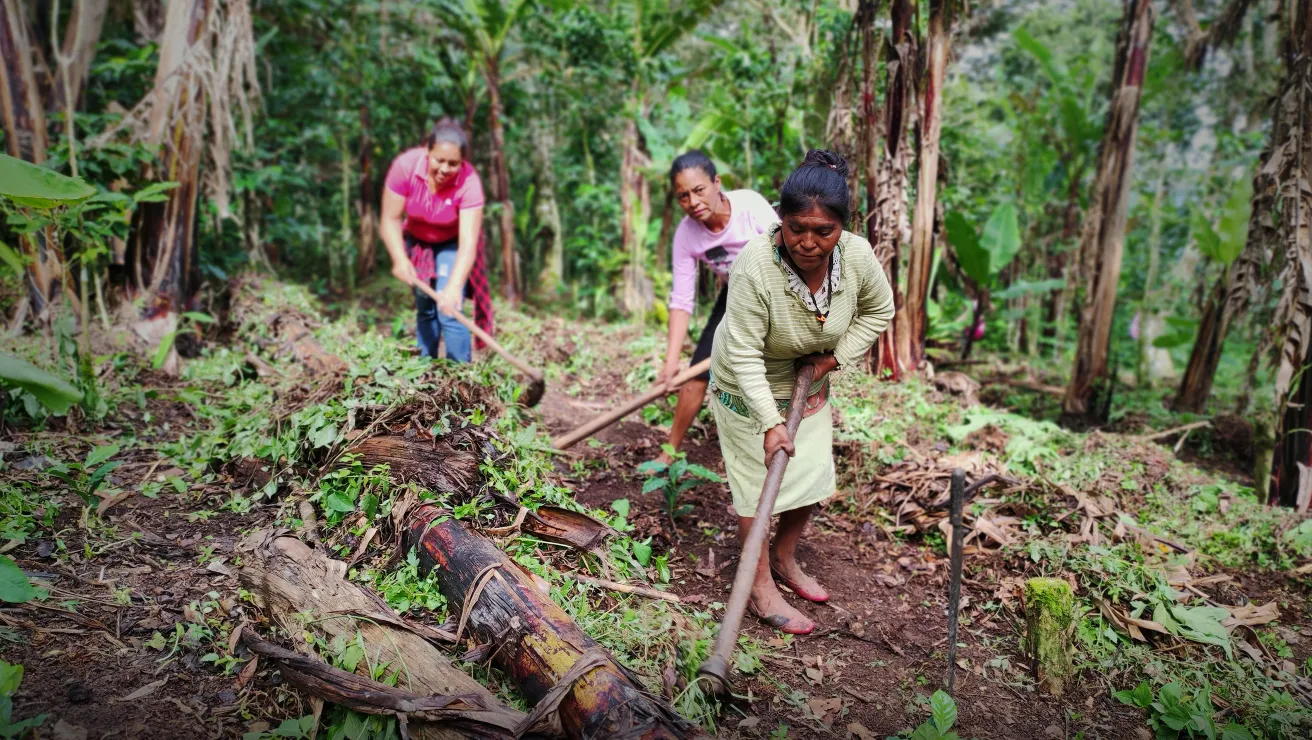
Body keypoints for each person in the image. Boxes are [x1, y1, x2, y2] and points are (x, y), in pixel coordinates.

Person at [709, 149, 895, 634]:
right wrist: (770, 423)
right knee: (756, 491)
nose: (807, 242)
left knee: (811, 475)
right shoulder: (755, 264)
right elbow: (745, 351)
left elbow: (880, 311)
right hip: (746, 384)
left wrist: (834, 358)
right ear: (781, 221)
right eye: (796, 228)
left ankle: (785, 557)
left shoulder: (857, 257)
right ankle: (758, 584)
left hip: (809, 378)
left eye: (823, 231)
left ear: (842, 228)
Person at [656, 150, 779, 460]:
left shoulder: (749, 206)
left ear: (716, 183)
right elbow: (682, 300)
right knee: (695, 372)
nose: (693, 202)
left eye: (699, 190)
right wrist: (671, 360)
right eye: (683, 196)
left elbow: (785, 254)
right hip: (734, 295)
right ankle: (670, 451)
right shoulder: (686, 234)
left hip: (777, 287)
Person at [380, 119, 494, 361]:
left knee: (451, 309)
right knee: (426, 307)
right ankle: (424, 371)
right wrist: (400, 260)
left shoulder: (469, 183)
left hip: (452, 244)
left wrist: (453, 287)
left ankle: (461, 376)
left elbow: (468, 243)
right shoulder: (405, 167)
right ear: (427, 152)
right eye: (439, 160)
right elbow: (389, 219)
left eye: (453, 163)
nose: (444, 169)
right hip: (417, 242)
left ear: (462, 162)